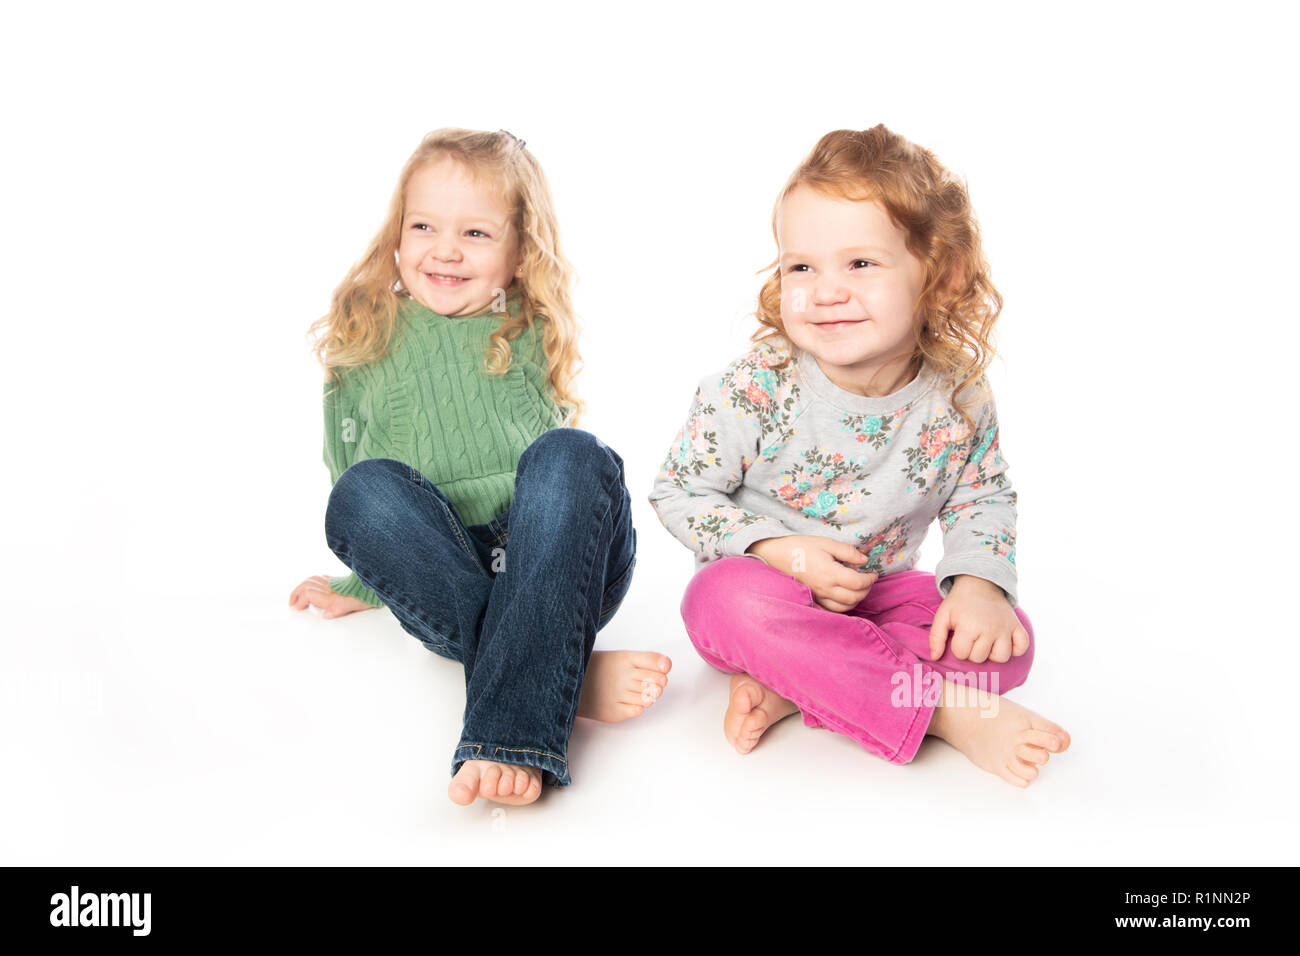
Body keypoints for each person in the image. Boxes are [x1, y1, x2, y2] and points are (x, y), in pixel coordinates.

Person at [649, 125, 1069, 787]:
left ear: (942, 273)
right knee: (719, 601)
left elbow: (980, 496)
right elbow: (677, 491)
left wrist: (981, 588)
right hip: (765, 598)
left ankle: (802, 687)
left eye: (861, 264)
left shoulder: (956, 395)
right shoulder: (756, 386)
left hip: (875, 595)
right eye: (801, 267)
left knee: (1009, 643)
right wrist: (779, 551)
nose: (825, 290)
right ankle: (940, 712)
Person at [290, 128, 671, 807]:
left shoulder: (520, 319)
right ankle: (563, 677)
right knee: (361, 491)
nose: (445, 250)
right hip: (450, 572)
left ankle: (514, 728)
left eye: (476, 234)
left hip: (555, 560)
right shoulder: (369, 330)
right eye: (425, 226)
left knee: (572, 453)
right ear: (397, 236)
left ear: (520, 254)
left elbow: (565, 491)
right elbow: (347, 454)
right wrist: (366, 579)